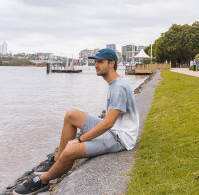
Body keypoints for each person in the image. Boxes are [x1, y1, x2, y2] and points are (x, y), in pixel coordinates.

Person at [13, 48, 139, 195]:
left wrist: (80, 139)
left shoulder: (118, 87)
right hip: (114, 130)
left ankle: (43, 181)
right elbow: (109, 122)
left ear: (112, 64)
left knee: (71, 149)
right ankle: (57, 159)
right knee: (71, 115)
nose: (96, 65)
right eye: (95, 62)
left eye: (100, 62)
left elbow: (108, 123)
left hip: (120, 138)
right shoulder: (115, 83)